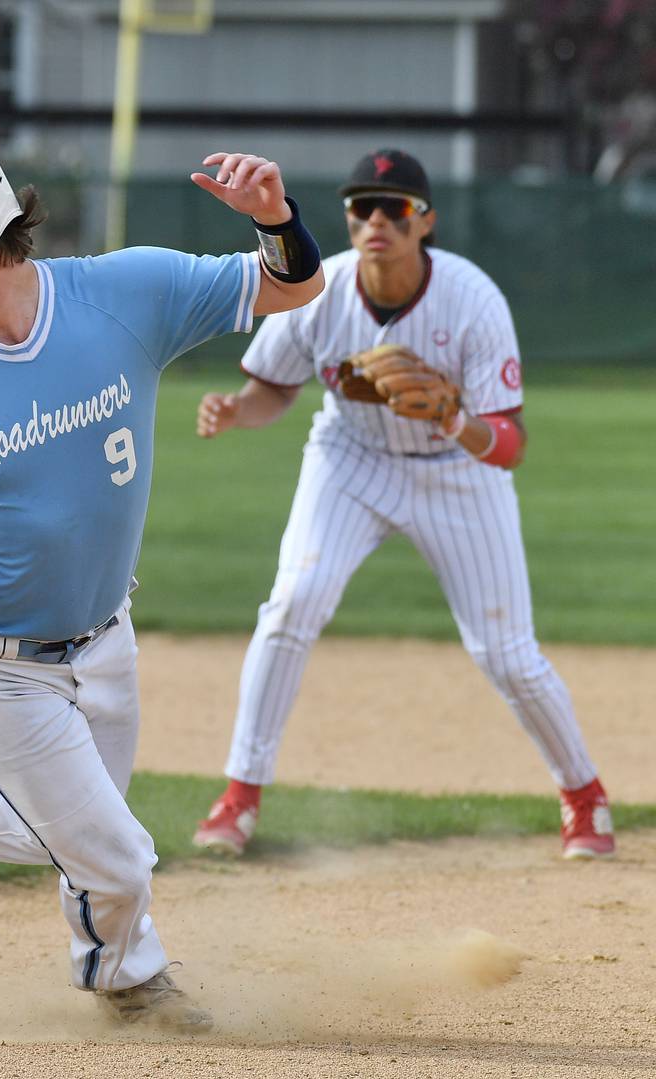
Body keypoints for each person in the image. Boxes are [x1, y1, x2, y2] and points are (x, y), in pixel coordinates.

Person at [0, 142, 325, 1030]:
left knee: (58, 828)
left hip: (104, 635)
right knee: (114, 852)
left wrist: (273, 218)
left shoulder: (125, 294)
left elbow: (291, 288)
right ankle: (126, 981)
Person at [189, 148, 614, 862]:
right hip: (351, 458)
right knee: (293, 603)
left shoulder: (472, 299)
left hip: (457, 471)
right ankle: (239, 796)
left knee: (506, 655)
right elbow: (274, 388)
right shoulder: (320, 290)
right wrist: (235, 410)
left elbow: (508, 443)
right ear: (349, 218)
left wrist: (454, 420)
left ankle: (584, 795)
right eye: (363, 206)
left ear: (426, 221)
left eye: (396, 207)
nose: (377, 219)